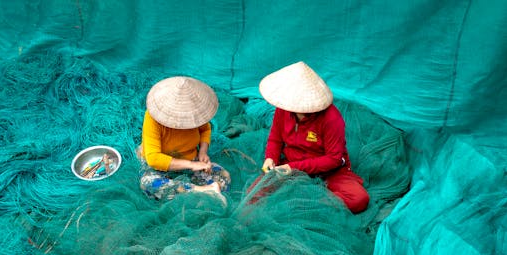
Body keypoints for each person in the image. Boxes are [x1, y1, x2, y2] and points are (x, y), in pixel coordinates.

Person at [256, 61, 369, 213]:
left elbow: (334, 159)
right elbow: (275, 139)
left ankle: (307, 204)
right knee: (256, 192)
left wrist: (293, 168)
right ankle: (299, 200)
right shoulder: (283, 109)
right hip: (290, 164)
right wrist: (271, 158)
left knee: (359, 199)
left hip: (330, 171)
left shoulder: (332, 119)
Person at [137, 76, 230, 203]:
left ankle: (192, 191)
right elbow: (154, 159)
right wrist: (192, 165)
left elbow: (205, 129)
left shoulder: (197, 114)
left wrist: (203, 151)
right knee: (148, 184)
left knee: (224, 177)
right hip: (159, 165)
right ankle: (201, 191)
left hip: (190, 158)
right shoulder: (152, 118)